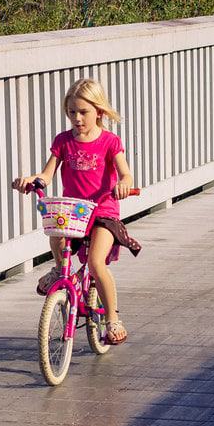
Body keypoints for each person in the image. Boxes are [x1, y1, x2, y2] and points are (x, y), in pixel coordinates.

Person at [12, 78, 140, 345]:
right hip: (75, 211)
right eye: (72, 112)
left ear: (99, 112)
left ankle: (112, 318)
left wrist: (124, 183)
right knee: (55, 229)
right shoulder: (63, 142)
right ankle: (60, 270)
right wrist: (30, 181)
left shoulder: (109, 142)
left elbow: (125, 173)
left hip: (103, 211)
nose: (77, 118)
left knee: (95, 263)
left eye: (83, 112)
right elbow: (46, 175)